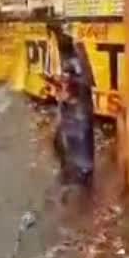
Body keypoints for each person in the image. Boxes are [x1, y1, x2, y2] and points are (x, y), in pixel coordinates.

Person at [46, 25, 95, 186]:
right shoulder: (76, 56)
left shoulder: (74, 58)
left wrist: (63, 90)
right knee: (62, 141)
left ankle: (79, 176)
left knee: (74, 147)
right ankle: (76, 173)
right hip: (76, 112)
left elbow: (78, 86)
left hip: (77, 114)